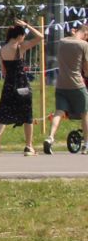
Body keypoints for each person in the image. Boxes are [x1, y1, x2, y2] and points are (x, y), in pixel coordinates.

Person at [0, 20, 37, 156]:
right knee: (27, 115)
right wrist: (27, 25)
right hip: (22, 84)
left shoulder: (2, 49)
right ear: (19, 36)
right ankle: (29, 146)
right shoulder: (19, 47)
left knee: (4, 114)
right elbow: (40, 37)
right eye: (23, 35)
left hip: (9, 85)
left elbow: (4, 71)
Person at [45, 20, 88, 155]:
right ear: (85, 33)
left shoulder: (62, 42)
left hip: (61, 84)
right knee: (85, 112)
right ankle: (86, 144)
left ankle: (50, 137)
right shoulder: (83, 44)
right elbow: (86, 68)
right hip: (76, 84)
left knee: (59, 112)